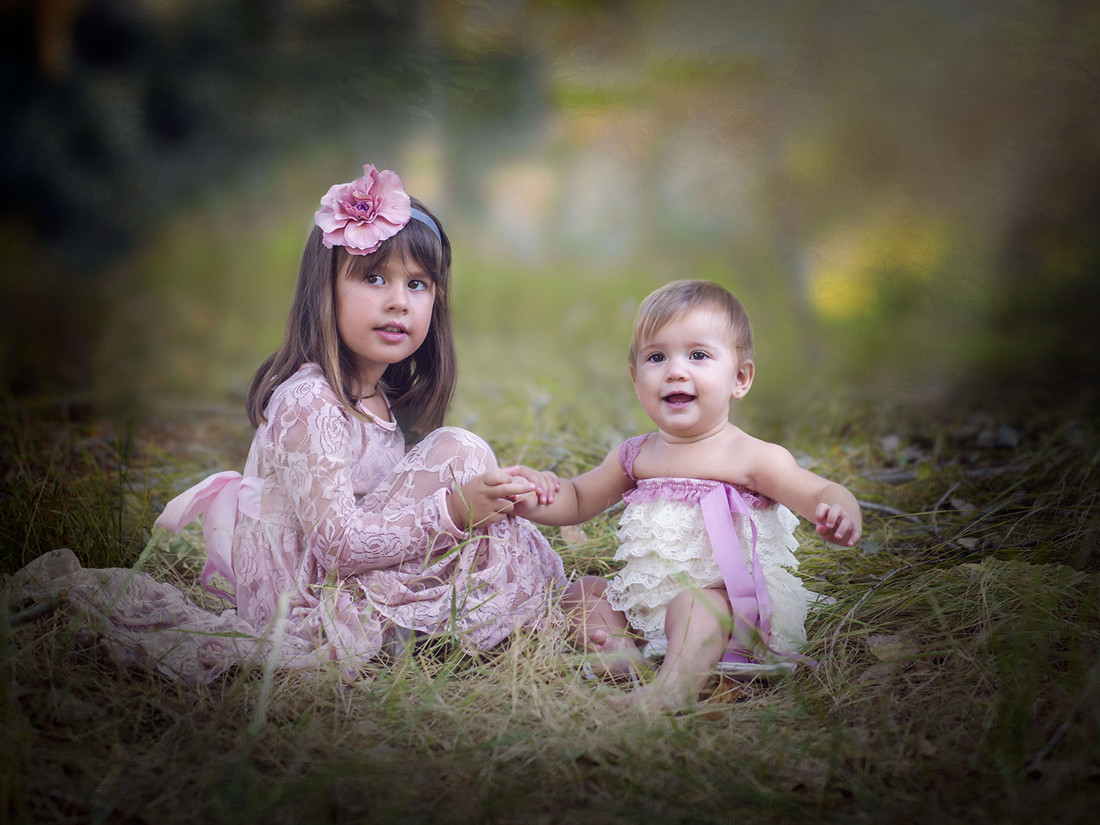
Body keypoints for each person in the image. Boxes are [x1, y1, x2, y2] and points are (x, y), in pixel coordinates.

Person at [7, 164, 566, 682]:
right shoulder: (309, 401)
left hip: (342, 576)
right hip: (297, 601)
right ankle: (429, 624)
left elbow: (389, 516)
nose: (399, 302)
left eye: (417, 284)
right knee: (461, 453)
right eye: (374, 279)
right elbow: (340, 545)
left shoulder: (381, 399)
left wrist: (505, 495)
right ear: (325, 291)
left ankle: (485, 615)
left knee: (466, 459)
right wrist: (456, 510)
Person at [514, 279, 861, 711]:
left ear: (740, 378)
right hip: (649, 606)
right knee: (582, 592)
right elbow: (579, 499)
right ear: (635, 378)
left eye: (698, 355)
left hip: (731, 610)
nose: (675, 370)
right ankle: (622, 655)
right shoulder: (636, 455)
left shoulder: (751, 457)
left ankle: (669, 692)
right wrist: (535, 495)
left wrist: (839, 510)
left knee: (694, 606)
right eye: (656, 357)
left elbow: (819, 490)